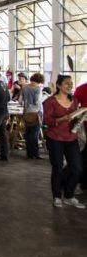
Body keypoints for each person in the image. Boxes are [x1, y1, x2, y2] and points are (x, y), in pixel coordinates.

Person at [43, 75, 84, 209]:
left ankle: (69, 195)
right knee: (58, 167)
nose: (70, 86)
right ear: (59, 85)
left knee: (77, 167)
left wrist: (80, 117)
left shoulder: (74, 101)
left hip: (71, 138)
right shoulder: (50, 102)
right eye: (67, 83)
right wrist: (62, 119)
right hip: (55, 138)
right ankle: (56, 196)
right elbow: (47, 121)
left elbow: (75, 119)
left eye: (71, 84)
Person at [22, 73, 45, 159]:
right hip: (36, 113)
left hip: (27, 112)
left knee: (28, 133)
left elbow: (22, 100)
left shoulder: (25, 87)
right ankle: (35, 153)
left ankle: (29, 153)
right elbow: (38, 102)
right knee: (35, 134)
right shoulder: (38, 89)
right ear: (40, 81)